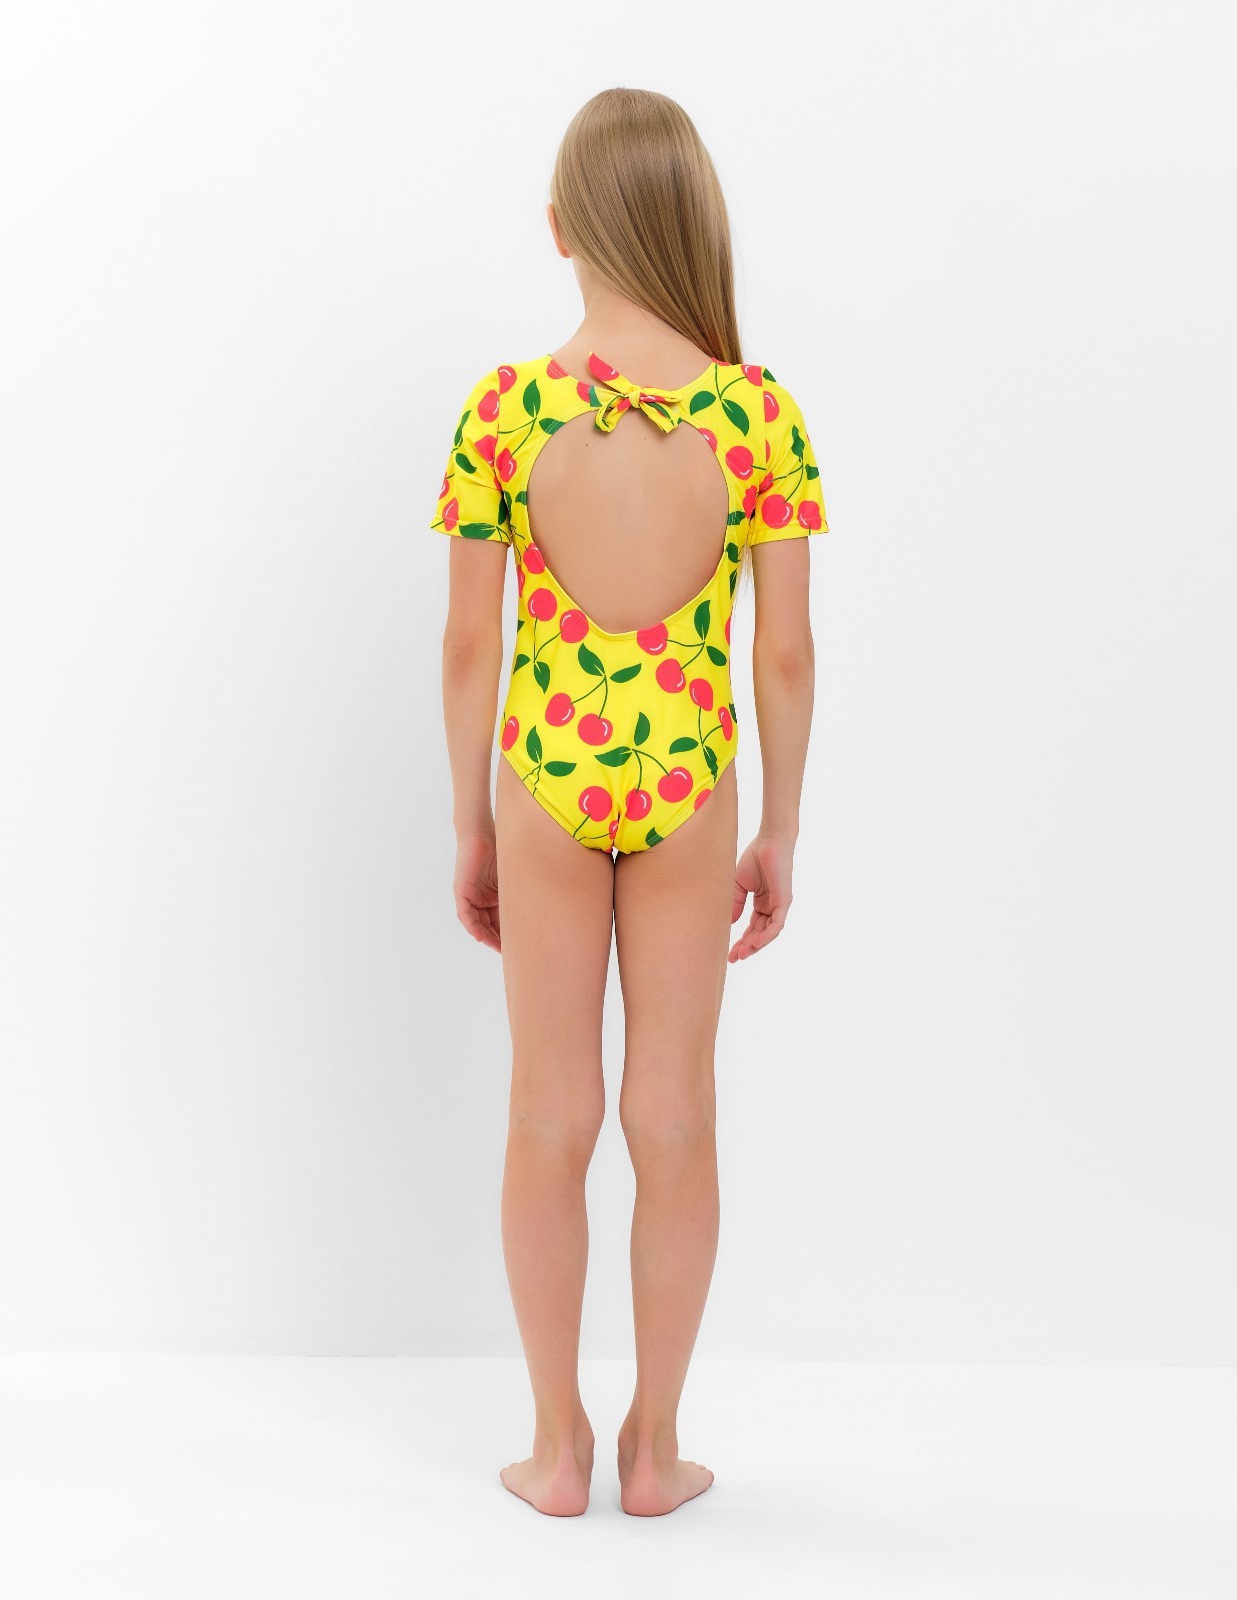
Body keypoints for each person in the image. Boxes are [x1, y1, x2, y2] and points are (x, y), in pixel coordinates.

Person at [426, 87, 829, 1518]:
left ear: (560, 229)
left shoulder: (506, 410)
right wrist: (780, 824)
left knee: (550, 1112)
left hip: (545, 775)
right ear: (689, 221)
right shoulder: (757, 414)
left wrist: (473, 820)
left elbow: (471, 645)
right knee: (674, 1114)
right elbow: (783, 650)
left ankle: (557, 1448)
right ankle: (656, 1448)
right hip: (688, 778)